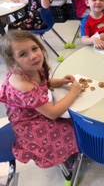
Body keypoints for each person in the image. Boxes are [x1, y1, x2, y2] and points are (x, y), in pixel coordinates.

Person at [0, 30, 82, 168]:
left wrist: (61, 81)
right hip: (31, 125)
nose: (33, 56)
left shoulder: (31, 68)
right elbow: (53, 113)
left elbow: (44, 83)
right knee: (74, 129)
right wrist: (74, 92)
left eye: (34, 48)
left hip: (39, 113)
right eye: (23, 54)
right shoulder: (24, 86)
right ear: (13, 62)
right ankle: (67, 157)